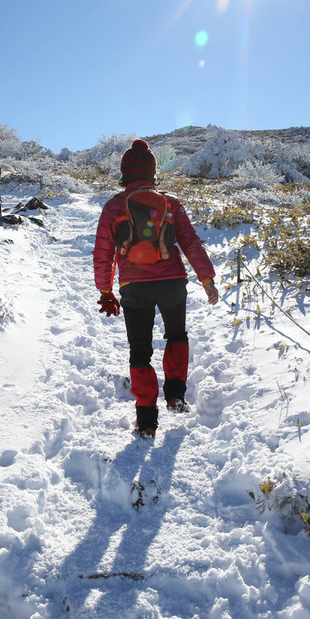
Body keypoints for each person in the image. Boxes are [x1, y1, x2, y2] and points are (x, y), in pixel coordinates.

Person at [93, 138, 219, 438]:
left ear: (125, 172)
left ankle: (147, 420)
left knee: (140, 352)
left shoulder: (113, 206)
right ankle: (175, 395)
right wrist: (206, 278)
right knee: (177, 336)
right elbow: (190, 241)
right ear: (152, 172)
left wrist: (105, 291)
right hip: (173, 282)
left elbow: (103, 252)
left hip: (134, 287)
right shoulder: (171, 203)